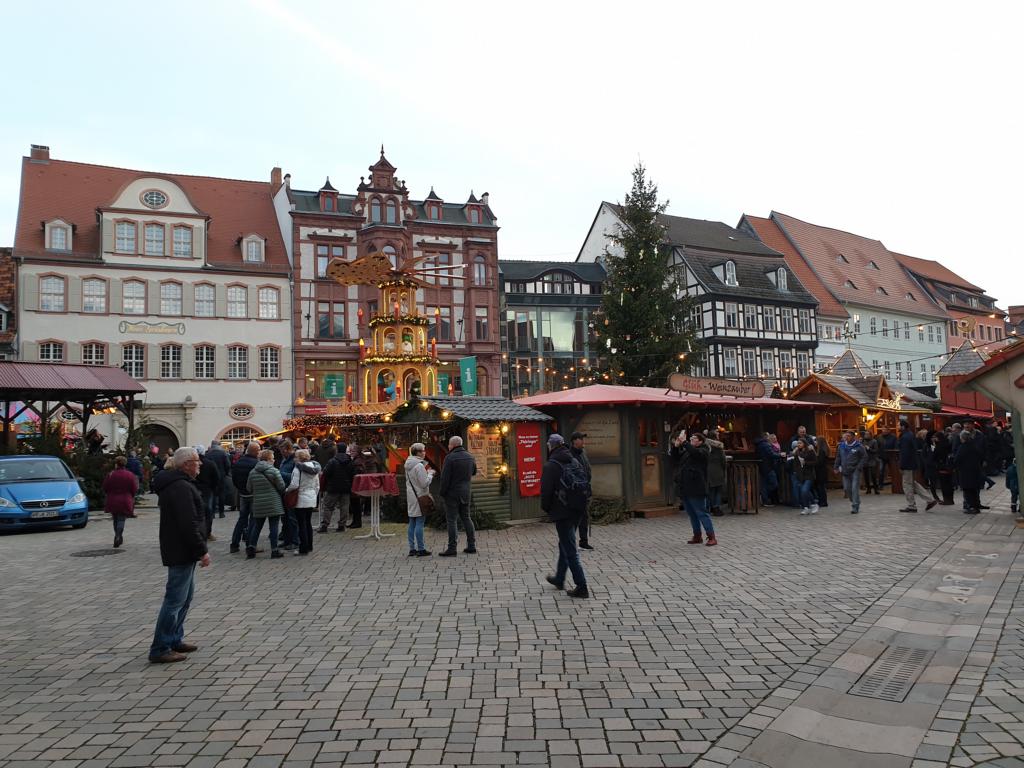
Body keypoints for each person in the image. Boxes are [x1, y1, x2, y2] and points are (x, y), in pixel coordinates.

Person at [148, 447, 210, 664]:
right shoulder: (180, 487)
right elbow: (188, 523)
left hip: (182, 549)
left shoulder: (180, 484)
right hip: (181, 549)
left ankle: (174, 638)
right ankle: (160, 647)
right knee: (175, 600)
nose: (200, 464)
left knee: (185, 598)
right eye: (196, 461)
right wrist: (201, 550)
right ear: (186, 464)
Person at [541, 433, 589, 598]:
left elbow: (546, 492)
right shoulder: (573, 460)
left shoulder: (551, 465)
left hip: (563, 512)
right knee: (565, 543)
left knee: (570, 549)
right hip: (577, 509)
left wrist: (547, 509)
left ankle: (581, 586)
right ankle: (560, 578)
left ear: (551, 446)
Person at [671, 430, 717, 545]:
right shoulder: (688, 451)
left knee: (701, 512)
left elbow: (696, 453)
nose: (691, 440)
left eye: (694, 438)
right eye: (690, 438)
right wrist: (676, 447)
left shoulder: (704, 450)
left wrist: (685, 442)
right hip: (686, 486)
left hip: (697, 487)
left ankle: (711, 536)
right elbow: (676, 458)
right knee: (692, 514)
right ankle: (697, 536)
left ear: (700, 441)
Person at [438, 435, 477, 557]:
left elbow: (445, 478)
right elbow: (474, 472)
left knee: (452, 520)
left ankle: (452, 548)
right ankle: (471, 546)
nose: (448, 446)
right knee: (466, 518)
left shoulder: (449, 458)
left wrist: (442, 492)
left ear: (453, 445)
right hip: (466, 492)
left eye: (449, 444)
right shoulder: (470, 456)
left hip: (452, 493)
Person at [246, 449, 286, 559]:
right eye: (272, 458)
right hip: (273, 503)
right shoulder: (274, 471)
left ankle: (251, 547)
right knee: (273, 527)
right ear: (268, 459)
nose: (274, 460)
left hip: (258, 503)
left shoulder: (253, 472)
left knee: (257, 526)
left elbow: (249, 488)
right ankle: (274, 550)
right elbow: (281, 487)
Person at [286, 448, 321, 556]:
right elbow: (317, 485)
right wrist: (314, 494)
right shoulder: (314, 468)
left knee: (301, 524)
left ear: (299, 458)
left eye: (296, 457)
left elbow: (294, 484)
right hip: (311, 497)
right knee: (308, 522)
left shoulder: (297, 468)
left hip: (301, 497)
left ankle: (303, 548)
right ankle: (309, 545)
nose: (294, 459)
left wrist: (287, 490)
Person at [404, 442, 434, 557]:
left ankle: (412, 549)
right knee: (420, 522)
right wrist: (430, 474)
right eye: (423, 450)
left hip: (411, 496)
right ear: (418, 452)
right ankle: (421, 549)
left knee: (412, 522)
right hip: (420, 497)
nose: (425, 452)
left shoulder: (408, 464)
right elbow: (424, 483)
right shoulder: (419, 466)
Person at [898, 421, 937, 512]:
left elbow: (905, 453)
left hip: (907, 464)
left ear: (903, 427)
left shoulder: (905, 437)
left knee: (907, 485)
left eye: (898, 425)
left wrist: (902, 465)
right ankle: (929, 500)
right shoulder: (910, 435)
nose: (898, 427)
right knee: (912, 483)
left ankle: (911, 505)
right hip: (912, 463)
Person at [230, 442, 261, 553]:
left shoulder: (239, 462)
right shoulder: (256, 464)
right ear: (255, 451)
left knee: (242, 519)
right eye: (258, 450)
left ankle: (234, 544)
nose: (259, 452)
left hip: (243, 494)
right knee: (253, 520)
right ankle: (250, 544)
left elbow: (234, 479)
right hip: (253, 494)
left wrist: (241, 489)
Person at [103, 455, 139, 548]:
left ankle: (117, 535)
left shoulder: (111, 474)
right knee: (121, 519)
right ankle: (118, 535)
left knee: (115, 519)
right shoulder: (130, 475)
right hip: (125, 500)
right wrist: (131, 496)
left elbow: (105, 487)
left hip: (112, 499)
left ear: (116, 464)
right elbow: (134, 489)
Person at [320, 443, 357, 532]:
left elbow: (326, 472)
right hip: (346, 488)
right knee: (344, 507)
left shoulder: (332, 461)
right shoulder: (350, 461)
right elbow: (353, 474)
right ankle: (342, 525)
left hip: (333, 487)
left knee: (328, 506)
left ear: (337, 449)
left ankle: (325, 525)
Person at [569, 431, 594, 547]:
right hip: (575, 491)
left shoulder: (583, 453)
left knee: (584, 516)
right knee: (574, 517)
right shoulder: (570, 455)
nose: (583, 441)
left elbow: (587, 470)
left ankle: (584, 541)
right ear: (575, 441)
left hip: (585, 489)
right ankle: (569, 540)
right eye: (581, 438)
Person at [833, 431, 867, 514]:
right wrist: (836, 467)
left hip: (855, 470)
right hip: (845, 470)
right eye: (846, 436)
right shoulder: (841, 446)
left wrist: (859, 467)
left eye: (848, 436)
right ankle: (855, 500)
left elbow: (864, 457)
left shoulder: (859, 446)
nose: (846, 437)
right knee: (847, 488)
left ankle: (855, 506)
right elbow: (838, 457)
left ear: (853, 437)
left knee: (854, 488)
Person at [194, 445, 222, 541]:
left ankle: (197, 533)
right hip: (207, 490)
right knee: (208, 512)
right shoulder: (210, 463)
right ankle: (207, 533)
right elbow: (216, 478)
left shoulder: (192, 464)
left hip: (195, 489)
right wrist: (213, 488)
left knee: (196, 512)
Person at [954, 430, 985, 514]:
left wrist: (954, 465)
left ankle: (971, 507)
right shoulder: (974, 445)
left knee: (967, 490)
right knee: (973, 489)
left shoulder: (963, 447)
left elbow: (957, 459)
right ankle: (976, 506)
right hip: (975, 470)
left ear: (962, 438)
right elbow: (980, 455)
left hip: (965, 471)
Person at [353, 447, 383, 528]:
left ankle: (365, 511)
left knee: (363, 497)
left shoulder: (360, 460)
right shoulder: (375, 459)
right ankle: (371, 512)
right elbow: (379, 468)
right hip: (374, 480)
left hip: (364, 480)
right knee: (372, 498)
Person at [792, 438, 818, 515]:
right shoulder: (797, 452)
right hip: (800, 475)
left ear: (804, 443)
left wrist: (805, 463)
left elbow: (815, 462)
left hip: (809, 474)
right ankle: (809, 506)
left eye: (800, 443)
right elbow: (795, 464)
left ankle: (809, 505)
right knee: (805, 491)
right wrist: (796, 472)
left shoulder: (810, 451)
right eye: (798, 443)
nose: (798, 444)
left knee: (804, 490)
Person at [206, 441, 232, 518]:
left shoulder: (208, 454)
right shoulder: (223, 454)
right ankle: (221, 512)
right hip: (221, 476)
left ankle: (213, 513)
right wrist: (226, 473)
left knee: (213, 494)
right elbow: (228, 465)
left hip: (211, 477)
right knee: (221, 494)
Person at [705, 429, 728, 516]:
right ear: (715, 437)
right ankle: (716, 507)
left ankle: (710, 507)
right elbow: (723, 460)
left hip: (708, 470)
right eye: (717, 435)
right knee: (718, 490)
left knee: (710, 490)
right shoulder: (719, 446)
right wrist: (724, 468)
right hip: (718, 470)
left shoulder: (705, 446)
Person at [754, 433, 779, 507]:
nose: (769, 437)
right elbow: (771, 454)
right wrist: (780, 455)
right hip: (768, 466)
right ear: (765, 437)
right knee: (774, 484)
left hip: (762, 466)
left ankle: (764, 499)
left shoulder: (759, 444)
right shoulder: (766, 445)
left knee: (764, 484)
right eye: (768, 436)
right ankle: (763, 496)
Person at [933, 431, 955, 505]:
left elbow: (935, 457)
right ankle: (951, 500)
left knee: (944, 484)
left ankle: (946, 500)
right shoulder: (948, 444)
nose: (935, 439)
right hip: (949, 467)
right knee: (949, 484)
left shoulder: (939, 446)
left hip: (942, 467)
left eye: (936, 437)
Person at [861, 430, 881, 494]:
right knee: (866, 475)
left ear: (870, 435)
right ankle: (868, 489)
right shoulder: (862, 441)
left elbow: (876, 450)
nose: (866, 435)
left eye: (867, 434)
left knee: (873, 475)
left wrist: (869, 448)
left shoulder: (874, 441)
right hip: (865, 460)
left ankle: (876, 489)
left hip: (872, 459)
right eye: (865, 434)